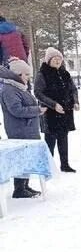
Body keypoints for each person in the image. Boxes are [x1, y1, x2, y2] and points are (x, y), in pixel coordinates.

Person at [0, 60, 42, 198]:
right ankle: (19, 189)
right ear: (18, 75)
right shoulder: (9, 89)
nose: (28, 78)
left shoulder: (19, 87)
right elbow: (16, 110)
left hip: (27, 128)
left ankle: (24, 185)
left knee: (26, 158)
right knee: (21, 158)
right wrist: (37, 110)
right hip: (19, 129)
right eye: (27, 75)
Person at [34, 47, 79, 172]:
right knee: (50, 141)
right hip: (50, 114)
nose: (58, 60)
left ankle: (65, 164)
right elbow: (38, 93)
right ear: (49, 60)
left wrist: (75, 101)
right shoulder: (42, 74)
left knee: (63, 139)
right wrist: (54, 105)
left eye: (59, 58)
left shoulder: (65, 74)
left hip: (65, 112)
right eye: (55, 58)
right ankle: (47, 166)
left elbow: (73, 89)